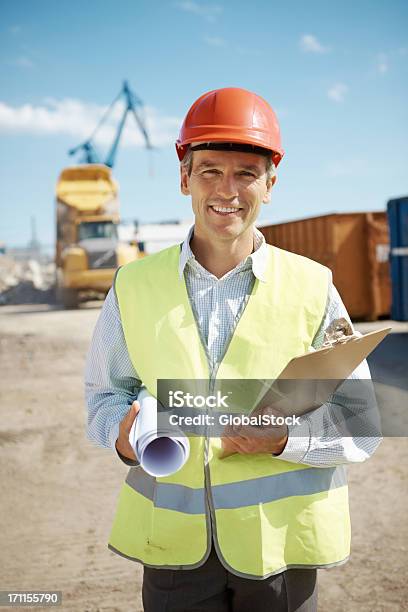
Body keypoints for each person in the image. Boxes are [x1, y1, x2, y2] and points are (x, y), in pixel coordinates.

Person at [85, 87, 381, 612]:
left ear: (270, 183)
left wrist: (285, 438)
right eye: (210, 171)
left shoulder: (313, 288)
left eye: (246, 173)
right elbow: (105, 398)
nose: (228, 190)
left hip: (280, 553)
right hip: (173, 552)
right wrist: (123, 436)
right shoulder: (132, 286)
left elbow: (360, 422)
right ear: (184, 179)